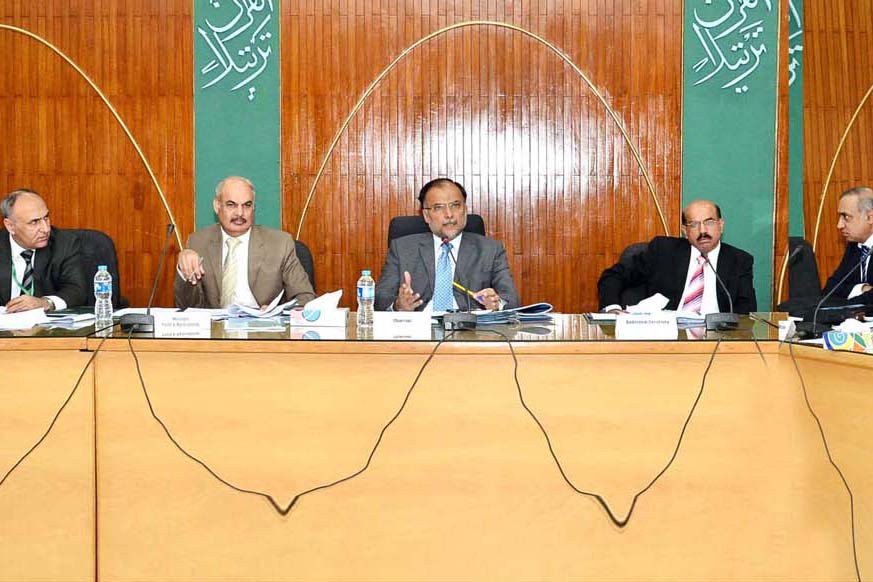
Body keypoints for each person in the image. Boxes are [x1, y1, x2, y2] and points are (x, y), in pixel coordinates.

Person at [375, 178, 519, 312]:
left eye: (456, 205)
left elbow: (512, 301)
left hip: (469, 332)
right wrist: (398, 305)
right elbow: (380, 299)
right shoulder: (402, 249)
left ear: (465, 209)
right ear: (426, 215)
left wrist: (496, 303)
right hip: (419, 331)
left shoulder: (490, 250)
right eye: (438, 207)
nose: (449, 214)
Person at [174, 176, 315, 309]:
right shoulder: (198, 242)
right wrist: (184, 272)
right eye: (231, 205)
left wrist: (277, 313)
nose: (240, 213)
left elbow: (305, 297)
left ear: (253, 207)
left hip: (262, 331)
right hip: (215, 330)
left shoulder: (280, 244)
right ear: (217, 206)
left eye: (247, 205)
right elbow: (187, 306)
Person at [598, 199, 757, 314]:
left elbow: (747, 310)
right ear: (684, 231)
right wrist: (612, 309)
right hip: (666, 339)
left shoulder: (740, 260)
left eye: (709, 222)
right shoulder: (663, 251)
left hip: (718, 341)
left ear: (720, 225)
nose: (702, 231)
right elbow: (612, 276)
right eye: (693, 224)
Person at [0, 189, 87, 312]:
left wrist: (46, 303)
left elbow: (77, 290)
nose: (45, 229)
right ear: (10, 226)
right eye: (34, 222)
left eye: (46, 218)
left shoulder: (64, 243)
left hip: (45, 328)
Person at [821, 186, 873, 302]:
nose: (839, 225)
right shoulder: (854, 246)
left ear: (870, 217)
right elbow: (830, 289)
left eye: (846, 217)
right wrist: (862, 289)